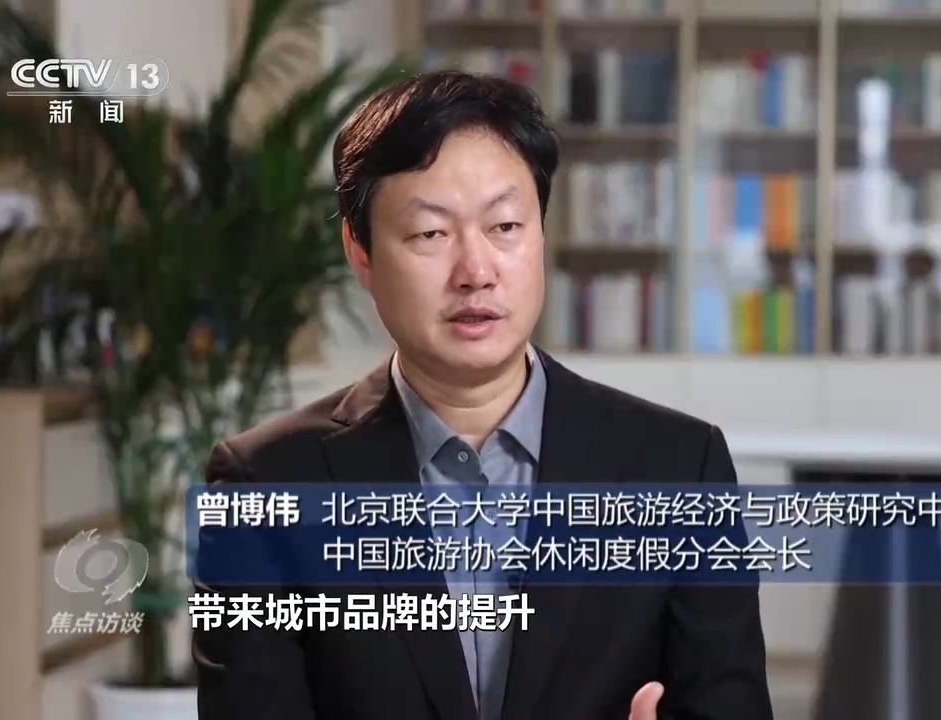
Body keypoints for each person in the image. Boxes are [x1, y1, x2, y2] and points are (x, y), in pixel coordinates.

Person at [193, 69, 772, 720]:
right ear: (360, 251)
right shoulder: (265, 485)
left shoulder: (679, 467)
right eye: (430, 234)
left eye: (505, 226)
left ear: (541, 232)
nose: (476, 272)